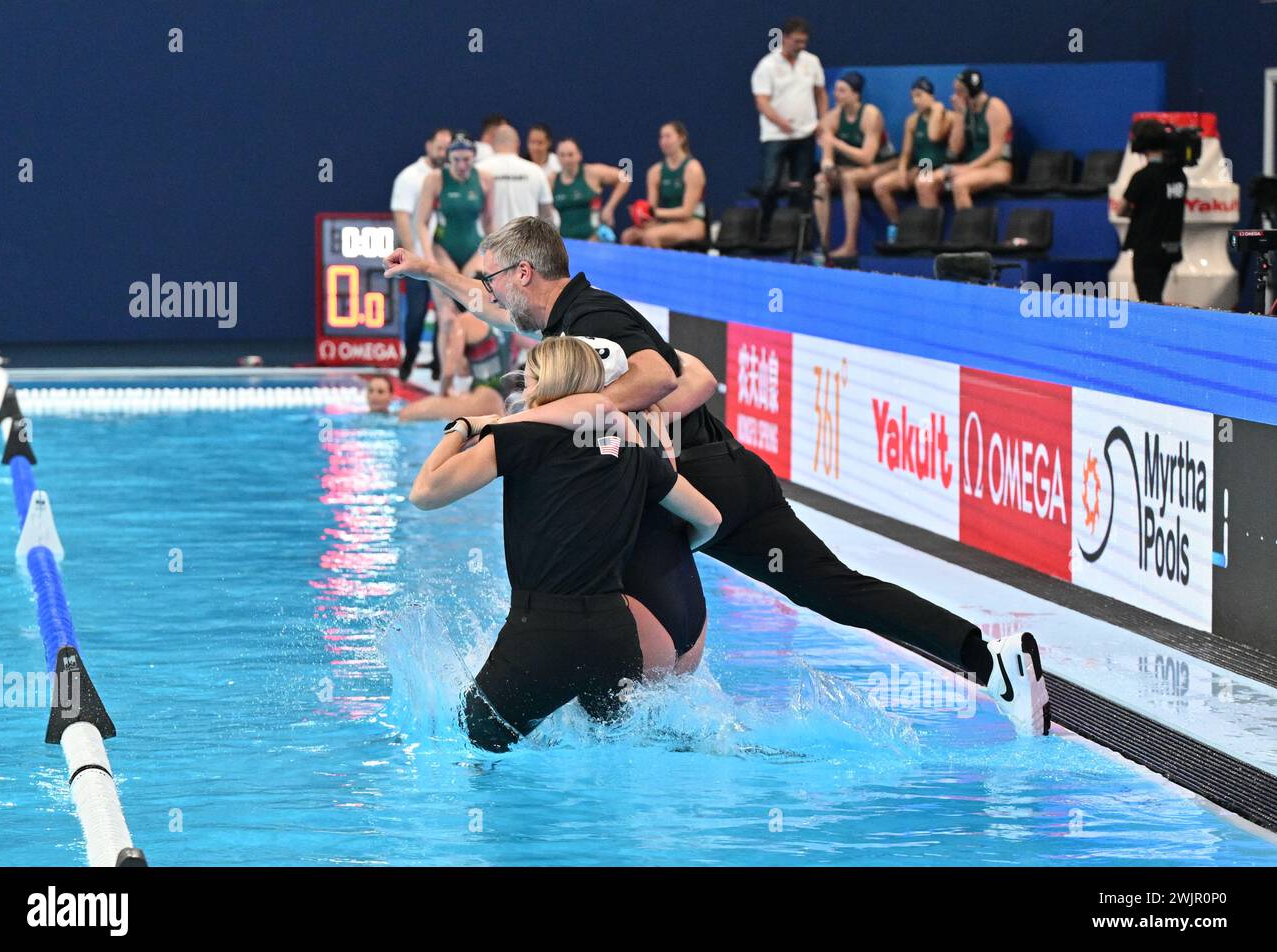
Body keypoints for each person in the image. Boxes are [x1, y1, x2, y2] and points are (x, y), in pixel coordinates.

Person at [384, 217, 1052, 736]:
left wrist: (575, 418)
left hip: (692, 482)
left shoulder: (593, 321)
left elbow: (672, 376)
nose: (493, 298)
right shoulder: (574, 317)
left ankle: (627, 724)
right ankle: (991, 661)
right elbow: (497, 304)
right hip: (728, 474)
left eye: (495, 281)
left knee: (591, 594)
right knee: (838, 591)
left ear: (524, 272)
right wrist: (430, 274)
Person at [408, 336, 722, 752]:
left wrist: (461, 428)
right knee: (611, 753)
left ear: (543, 383)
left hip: (543, 631)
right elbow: (709, 519)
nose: (522, 390)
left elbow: (424, 493)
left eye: (528, 380)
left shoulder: (516, 440)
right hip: (616, 637)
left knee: (475, 739)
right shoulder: (632, 449)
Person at [414, 133, 493, 394]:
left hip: (473, 252)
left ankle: (472, 378)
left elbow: (490, 224)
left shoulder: (484, 180)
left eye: (467, 160)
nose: (462, 165)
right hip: (442, 251)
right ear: (448, 158)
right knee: (446, 317)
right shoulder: (435, 180)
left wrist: (486, 255)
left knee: (476, 315)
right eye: (457, 160)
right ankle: (445, 387)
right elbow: (421, 222)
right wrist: (428, 256)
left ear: (474, 158)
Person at [751, 16, 827, 238]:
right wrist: (781, 122)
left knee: (802, 187)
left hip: (805, 134)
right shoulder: (767, 66)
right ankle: (764, 231)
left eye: (804, 42)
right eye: (797, 41)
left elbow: (820, 93)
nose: (801, 46)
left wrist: (822, 120)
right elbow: (762, 101)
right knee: (770, 184)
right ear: (784, 38)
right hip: (775, 135)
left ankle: (798, 237)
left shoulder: (811, 62)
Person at [813, 72, 899, 260]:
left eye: (842, 91)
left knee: (848, 179)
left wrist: (835, 142)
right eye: (835, 90)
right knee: (820, 181)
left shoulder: (870, 115)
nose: (836, 94)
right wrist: (828, 168)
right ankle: (824, 244)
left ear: (855, 94)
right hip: (852, 168)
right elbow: (827, 159)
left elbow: (867, 158)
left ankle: (850, 245)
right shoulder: (832, 117)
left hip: (883, 164)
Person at [390, 127, 453, 380]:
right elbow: (402, 217)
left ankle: (440, 364)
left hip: (444, 258)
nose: (444, 153)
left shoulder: (454, 176)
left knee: (445, 313)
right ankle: (411, 356)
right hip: (420, 258)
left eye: (448, 148)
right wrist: (413, 256)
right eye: (440, 147)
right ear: (428, 146)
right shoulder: (410, 177)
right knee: (416, 313)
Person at [916, 69, 1013, 210]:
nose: (955, 95)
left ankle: (969, 231)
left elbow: (996, 151)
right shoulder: (965, 110)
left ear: (971, 90)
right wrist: (960, 115)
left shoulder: (995, 107)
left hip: (997, 168)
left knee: (959, 183)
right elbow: (954, 150)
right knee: (923, 181)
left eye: (959, 91)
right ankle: (931, 230)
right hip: (970, 167)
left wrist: (968, 168)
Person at [1117, 119, 1187, 304]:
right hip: (1170, 247)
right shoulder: (1180, 176)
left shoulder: (1143, 177)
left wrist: (1138, 212)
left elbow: (1121, 209)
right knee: (1155, 297)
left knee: (1149, 301)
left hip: (1147, 249)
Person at [872, 77, 949, 228]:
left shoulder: (947, 117)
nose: (915, 101)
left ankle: (929, 231)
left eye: (919, 95)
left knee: (923, 182)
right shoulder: (912, 121)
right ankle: (899, 226)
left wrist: (936, 110)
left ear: (931, 96)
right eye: (912, 97)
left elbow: (934, 136)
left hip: (938, 166)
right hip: (922, 164)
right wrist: (901, 171)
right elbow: (906, 153)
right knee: (880, 185)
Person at [620, 121, 707, 249]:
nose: (663, 141)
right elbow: (652, 208)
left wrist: (654, 212)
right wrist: (640, 213)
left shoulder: (693, 169)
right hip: (667, 223)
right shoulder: (655, 171)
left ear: (681, 138)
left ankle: (662, 269)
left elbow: (686, 212)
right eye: (661, 137)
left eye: (668, 136)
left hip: (692, 223)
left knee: (651, 236)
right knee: (628, 236)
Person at [476, 124, 556, 229]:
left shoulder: (478, 170)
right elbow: (547, 214)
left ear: (492, 144)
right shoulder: (536, 171)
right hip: (526, 241)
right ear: (518, 144)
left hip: (490, 241)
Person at [550, 137, 631, 240]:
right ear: (556, 157)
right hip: (566, 241)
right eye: (562, 155)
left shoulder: (592, 173)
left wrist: (609, 208)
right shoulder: (552, 180)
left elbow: (625, 178)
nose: (566, 159)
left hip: (593, 238)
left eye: (570, 155)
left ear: (579, 155)